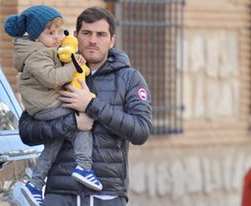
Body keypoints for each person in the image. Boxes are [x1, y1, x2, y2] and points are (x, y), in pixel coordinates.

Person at [18, 6, 153, 206]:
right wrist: (72, 122)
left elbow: (141, 131)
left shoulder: (129, 78)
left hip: (107, 195)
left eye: (101, 34)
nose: (93, 40)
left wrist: (91, 104)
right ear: (75, 36)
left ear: (112, 40)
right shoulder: (53, 72)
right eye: (87, 33)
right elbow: (27, 132)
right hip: (59, 194)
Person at [4, 5, 103, 206]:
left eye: (60, 31)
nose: (57, 37)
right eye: (51, 33)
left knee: (54, 142)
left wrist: (73, 60)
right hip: (46, 106)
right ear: (35, 35)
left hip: (46, 104)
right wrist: (73, 66)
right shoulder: (36, 55)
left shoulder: (44, 50)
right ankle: (84, 167)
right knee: (81, 118)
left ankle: (35, 184)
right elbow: (51, 78)